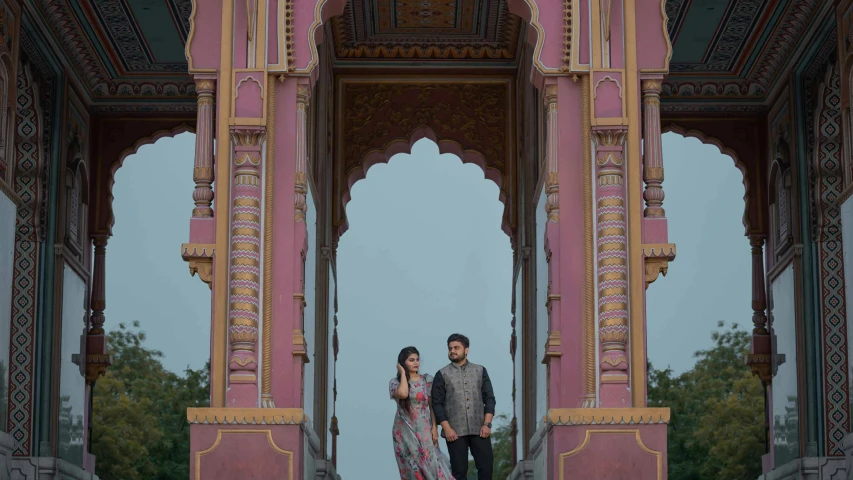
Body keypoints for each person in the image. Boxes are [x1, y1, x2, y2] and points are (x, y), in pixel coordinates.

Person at [431, 333, 496, 480]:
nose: (452, 351)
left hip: (479, 428)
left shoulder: (480, 370)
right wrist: (447, 429)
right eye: (450, 348)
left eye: (456, 348)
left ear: (466, 350)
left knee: (486, 468)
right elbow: (437, 404)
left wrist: (487, 424)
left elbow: (489, 398)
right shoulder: (442, 374)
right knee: (459, 472)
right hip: (455, 431)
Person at [389, 346, 454, 480]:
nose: (416, 363)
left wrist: (435, 428)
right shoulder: (395, 383)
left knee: (433, 463)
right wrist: (402, 373)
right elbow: (403, 393)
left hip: (425, 429)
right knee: (412, 467)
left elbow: (432, 406)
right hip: (404, 431)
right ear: (403, 363)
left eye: (417, 360)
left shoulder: (426, 380)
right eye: (411, 360)